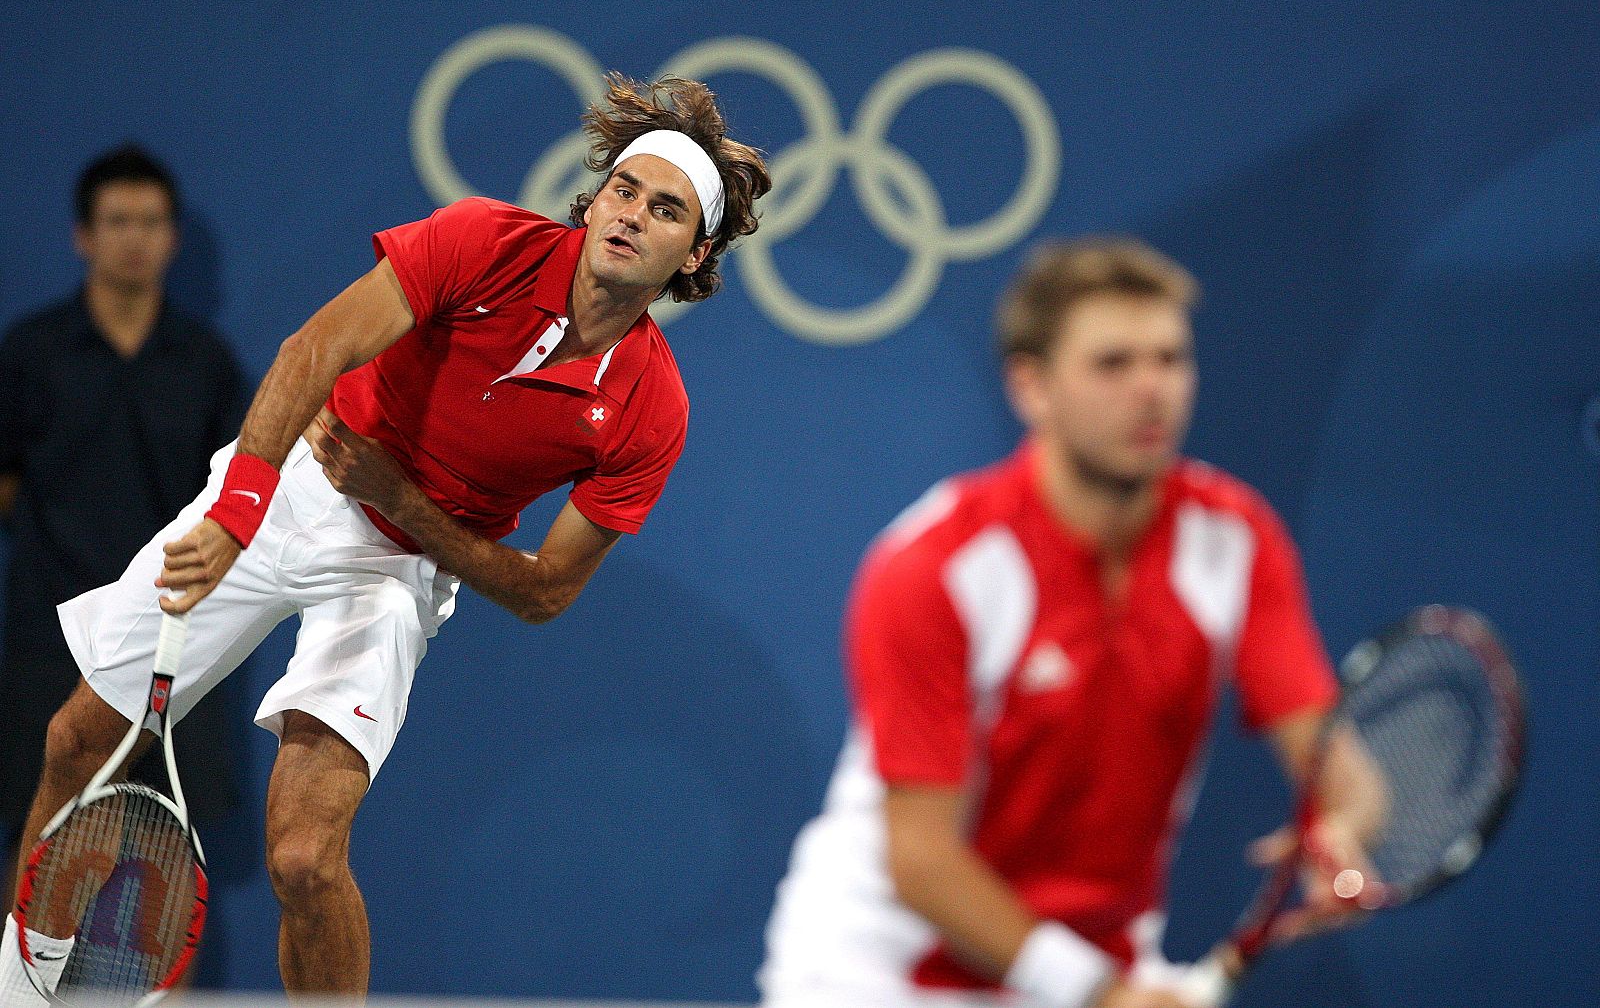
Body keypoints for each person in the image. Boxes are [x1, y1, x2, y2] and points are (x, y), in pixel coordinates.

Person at [2, 74, 771, 1001]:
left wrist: (400, 504)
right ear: (594, 194)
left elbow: (544, 592)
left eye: (666, 209)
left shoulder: (652, 409)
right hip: (295, 487)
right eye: (622, 189)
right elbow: (312, 351)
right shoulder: (483, 238)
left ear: (695, 256)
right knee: (76, 742)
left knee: (303, 858)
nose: (631, 215)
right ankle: (25, 988)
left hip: (402, 558)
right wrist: (238, 512)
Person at [758, 238, 1387, 1008]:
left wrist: (1344, 829)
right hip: (878, 974)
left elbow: (1337, 772)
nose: (1152, 390)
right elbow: (920, 860)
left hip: (1103, 966)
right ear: (1031, 386)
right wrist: (1100, 994)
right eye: (1113, 364)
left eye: (1170, 359)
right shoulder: (937, 566)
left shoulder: (1236, 541)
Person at [0, 144, 248, 908]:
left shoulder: (206, 364)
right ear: (84, 235)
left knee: (164, 855)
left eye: (150, 222)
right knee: (40, 844)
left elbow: (234, 500)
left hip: (176, 640)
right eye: (116, 222)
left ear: (172, 238)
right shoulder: (32, 355)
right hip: (49, 641)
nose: (133, 238)